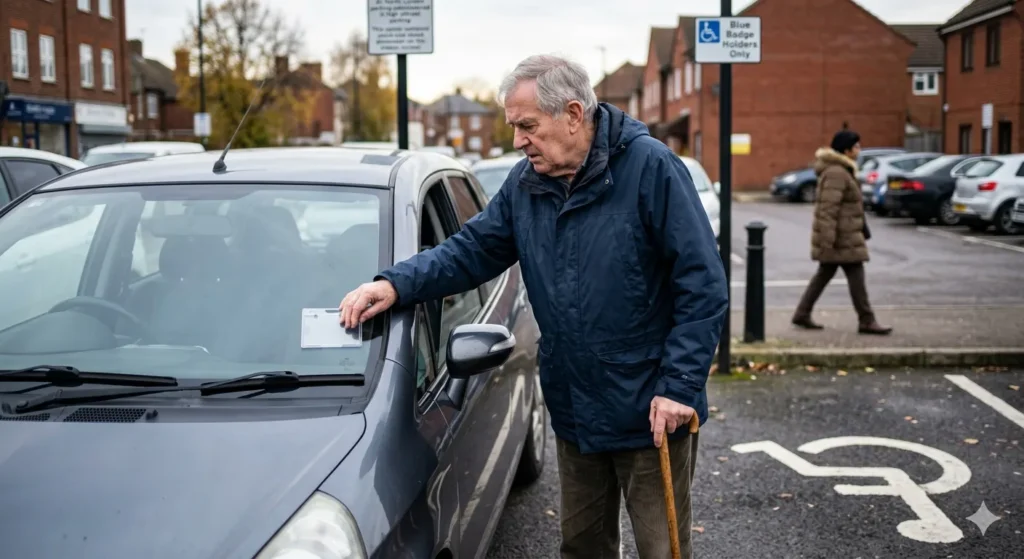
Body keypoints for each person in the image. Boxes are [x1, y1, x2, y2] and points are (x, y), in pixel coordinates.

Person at [338, 54, 728, 558]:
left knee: (662, 550)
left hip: (651, 409)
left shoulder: (651, 168)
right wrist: (395, 285)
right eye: (514, 127)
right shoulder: (527, 184)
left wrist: (678, 386)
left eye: (527, 126)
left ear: (572, 114)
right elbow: (472, 249)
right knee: (583, 546)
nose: (518, 141)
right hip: (575, 405)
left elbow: (703, 284)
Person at [792, 129, 892, 335]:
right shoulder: (837, 173)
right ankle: (866, 320)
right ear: (846, 150)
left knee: (825, 274)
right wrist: (828, 241)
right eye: (856, 146)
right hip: (841, 238)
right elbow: (828, 209)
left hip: (845, 235)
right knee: (855, 276)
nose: (859, 149)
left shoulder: (841, 170)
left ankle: (802, 313)